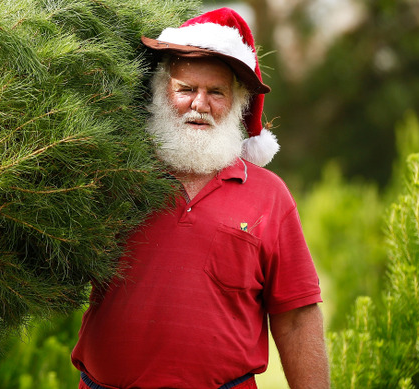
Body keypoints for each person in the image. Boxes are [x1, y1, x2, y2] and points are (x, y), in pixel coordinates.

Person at [71, 7, 330, 389]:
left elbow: (296, 317)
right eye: (186, 89)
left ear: (237, 103)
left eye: (216, 92)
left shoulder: (269, 195)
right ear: (162, 92)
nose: (200, 104)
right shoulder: (114, 177)